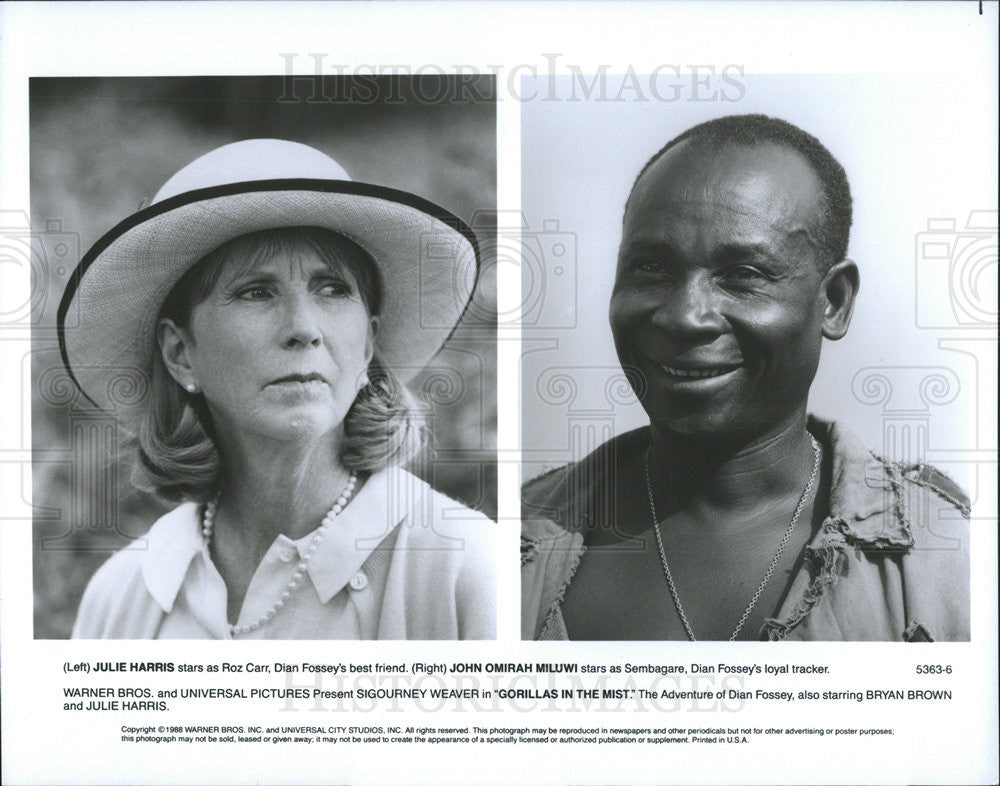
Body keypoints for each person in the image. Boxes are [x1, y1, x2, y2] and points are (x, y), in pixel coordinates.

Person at [521, 114, 970, 642]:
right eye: (651, 268)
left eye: (743, 276)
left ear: (834, 302)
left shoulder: (948, 561)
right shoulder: (515, 546)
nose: (686, 316)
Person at [65, 138, 495, 639]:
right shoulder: (121, 599)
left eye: (332, 288)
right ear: (181, 353)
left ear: (368, 343)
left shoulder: (463, 570)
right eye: (255, 292)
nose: (304, 328)